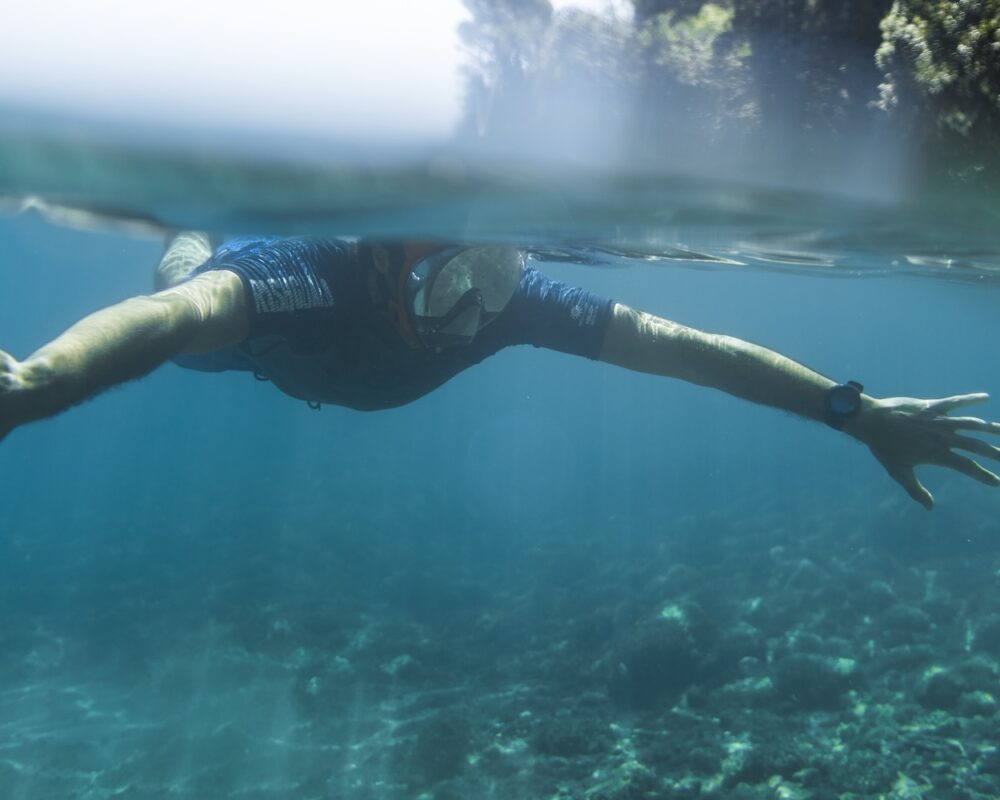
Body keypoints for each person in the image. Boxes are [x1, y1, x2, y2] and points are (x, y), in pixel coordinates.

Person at [1, 231, 998, 510]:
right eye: (449, 284)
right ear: (390, 259)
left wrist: (849, 409)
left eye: (499, 274)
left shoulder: (514, 299)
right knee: (188, 298)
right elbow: (176, 316)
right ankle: (189, 231)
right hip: (260, 348)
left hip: (313, 361)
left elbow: (686, 348)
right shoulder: (317, 277)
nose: (474, 311)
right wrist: (39, 386)